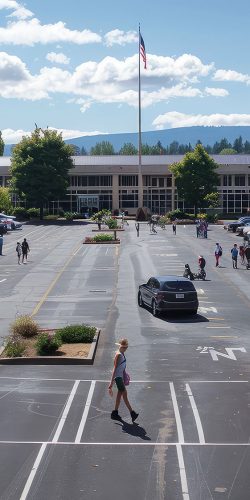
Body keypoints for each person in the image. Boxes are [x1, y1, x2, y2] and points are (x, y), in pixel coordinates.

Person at [109, 338, 139, 422]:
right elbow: (114, 368)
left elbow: (120, 367)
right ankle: (132, 413)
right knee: (124, 395)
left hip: (120, 377)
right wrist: (111, 383)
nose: (126, 349)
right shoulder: (118, 355)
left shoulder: (121, 353)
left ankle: (115, 413)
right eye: (125, 347)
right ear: (121, 347)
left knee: (120, 395)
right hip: (118, 378)